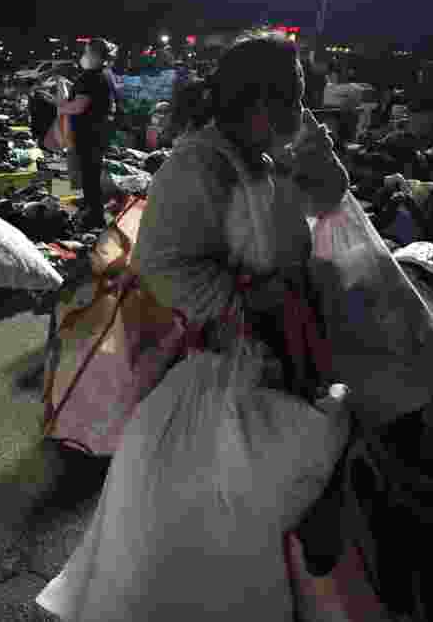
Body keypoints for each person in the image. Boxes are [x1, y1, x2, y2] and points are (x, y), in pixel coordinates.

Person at [37, 34, 352, 621]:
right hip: (228, 362)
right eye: (289, 101)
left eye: (299, 102)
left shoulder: (270, 154)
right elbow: (161, 267)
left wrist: (311, 143)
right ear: (252, 101)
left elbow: (330, 195)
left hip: (292, 349)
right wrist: (250, 300)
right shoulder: (198, 165)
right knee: (222, 524)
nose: (296, 115)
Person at [56, 38, 119, 230]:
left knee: (89, 178)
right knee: (92, 176)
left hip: (88, 135)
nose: (83, 55)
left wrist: (61, 106)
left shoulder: (90, 77)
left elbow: (80, 105)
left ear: (94, 55)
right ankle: (94, 213)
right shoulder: (106, 74)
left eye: (86, 52)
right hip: (99, 133)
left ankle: (95, 218)